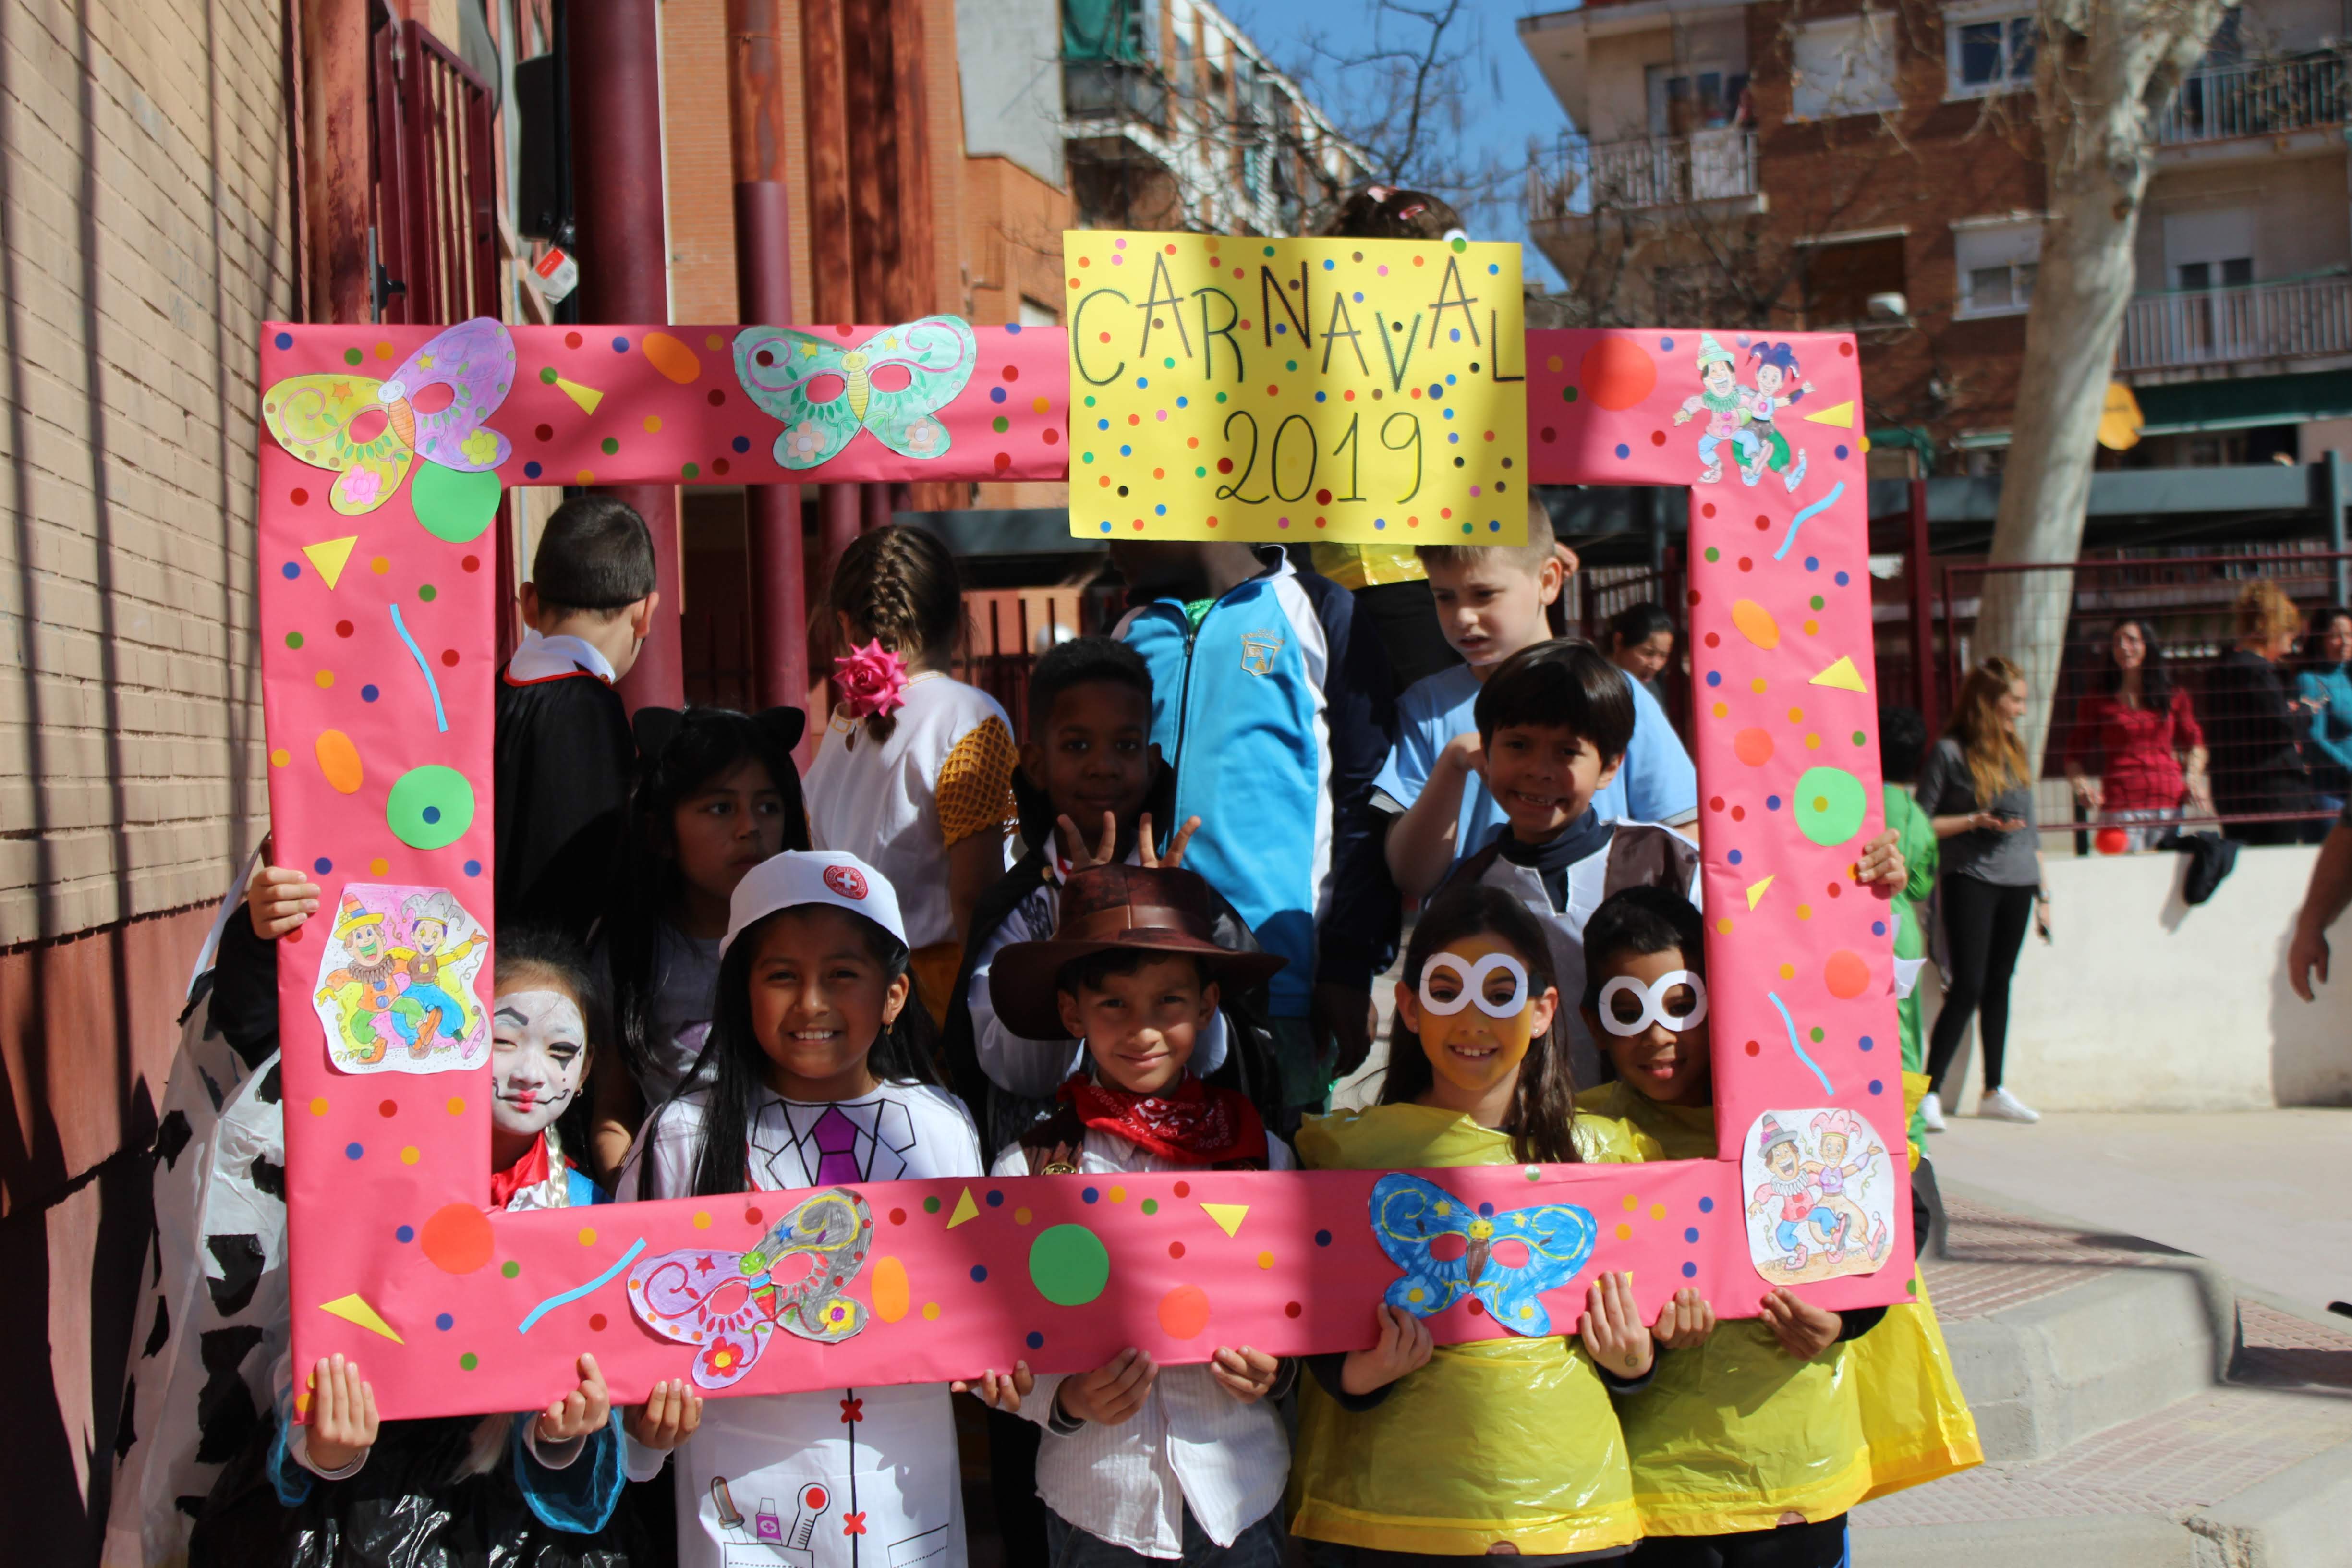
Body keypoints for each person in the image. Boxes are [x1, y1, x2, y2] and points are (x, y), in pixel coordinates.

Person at [190, 932, 681, 1568]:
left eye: (561, 1051)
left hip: (522, 1535)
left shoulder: (590, 1216)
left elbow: (589, 1431)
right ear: (452, 1040)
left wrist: (562, 1435)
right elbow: (312, 1364)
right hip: (365, 1512)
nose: (531, 1073)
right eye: (502, 1041)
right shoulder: (374, 1191)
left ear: (586, 1072)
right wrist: (329, 1447)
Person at [1573, 888, 1965, 1562]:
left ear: (1721, 998)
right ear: (1593, 1021)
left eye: (1680, 1004)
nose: (1657, 1034)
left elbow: (1899, 1212)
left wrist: (1842, 1319)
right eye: (1627, 1011)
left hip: (1795, 1474)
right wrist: (1635, 1360)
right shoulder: (1582, 1142)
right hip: (1657, 1486)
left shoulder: (1796, 1107)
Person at [619, 850, 984, 1568]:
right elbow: (628, 1328)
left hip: (904, 1507)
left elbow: (981, 1304)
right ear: (740, 992)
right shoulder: (682, 1136)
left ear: (894, 995)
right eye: (782, 975)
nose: (811, 1003)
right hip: (746, 1512)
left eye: (842, 974)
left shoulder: (941, 1126)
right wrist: (642, 1432)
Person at [1286, 883, 1652, 1560]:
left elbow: (1645, 1331)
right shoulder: (1343, 1155)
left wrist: (1633, 1361)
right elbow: (1300, 1321)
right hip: (1387, 1517)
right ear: (1410, 1007)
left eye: (1500, 992)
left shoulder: (1609, 1156)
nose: (1473, 1019)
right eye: (1446, 990)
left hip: (1569, 1516)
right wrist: (1358, 1374)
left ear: (1542, 1011)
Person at [964, 862, 1294, 1566]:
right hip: (1099, 1503)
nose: (1142, 1029)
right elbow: (993, 1340)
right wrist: (1065, 1400)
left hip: (1240, 1490)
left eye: (1167, 1001)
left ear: (1206, 1006)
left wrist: (1279, 1370)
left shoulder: (1261, 1156)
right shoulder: (1029, 1171)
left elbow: (1301, 1302)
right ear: (1071, 1013)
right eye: (1113, 1003)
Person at [1110, 537, 1396, 1113]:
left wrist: (1347, 968)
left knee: (1278, 1161)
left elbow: (1366, 801)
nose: (1105, 534)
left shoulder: (1316, 608)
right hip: (1143, 992)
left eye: (1118, 506)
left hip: (1282, 990)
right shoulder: (1128, 629)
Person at [1382, 501, 1699, 904]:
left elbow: (1685, 834)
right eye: (1444, 597)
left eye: (1484, 594)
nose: (1462, 616)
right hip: (1471, 941)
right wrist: (1453, 763)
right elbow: (1411, 876)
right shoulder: (1425, 706)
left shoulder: (1619, 693)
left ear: (1548, 581)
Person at [805, 524, 1016, 1025]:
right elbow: (975, 895)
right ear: (959, 622)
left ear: (844, 624)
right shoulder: (968, 717)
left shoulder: (840, 731)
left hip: (849, 992)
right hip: (940, 997)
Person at [591, 705, 809, 1175]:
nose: (750, 827)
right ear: (661, 833)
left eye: (768, 806)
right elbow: (613, 1111)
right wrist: (636, 1196)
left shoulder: (819, 940)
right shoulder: (631, 952)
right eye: (721, 808)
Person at [496, 494, 661, 942]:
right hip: (552, 970)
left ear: (529, 601)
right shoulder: (593, 710)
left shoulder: (484, 695)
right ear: (646, 614)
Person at [1915, 657, 2046, 1128]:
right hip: (1969, 877)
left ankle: (1994, 1089)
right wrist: (1975, 821)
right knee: (1967, 983)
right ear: (1989, 701)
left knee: (1999, 981)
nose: (2021, 710)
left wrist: (2044, 894)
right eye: (2015, 700)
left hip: (2018, 879)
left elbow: (2031, 829)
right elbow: (1921, 821)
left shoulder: (2015, 748)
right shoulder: (1949, 752)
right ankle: (1928, 1091)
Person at [2062, 619, 2210, 849]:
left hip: (2168, 801)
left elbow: (2196, 744)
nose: (2123, 647)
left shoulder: (2174, 696)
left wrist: (2192, 780)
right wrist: (2082, 788)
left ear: (2147, 645)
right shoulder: (2097, 700)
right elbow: (2073, 755)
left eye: (2132, 640)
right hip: (2120, 804)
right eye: (2117, 642)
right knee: (2122, 869)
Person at [2207, 580, 2320, 845]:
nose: (2291, 641)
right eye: (2289, 632)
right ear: (2273, 628)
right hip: (2270, 794)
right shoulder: (2257, 672)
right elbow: (2280, 727)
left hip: (2232, 791)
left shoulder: (2222, 670)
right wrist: (2305, 711)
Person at [1878, 705, 1938, 1146]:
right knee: (1906, 1036)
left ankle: (1909, 1136)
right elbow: (1919, 886)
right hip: (1904, 932)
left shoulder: (1857, 801)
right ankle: (1912, 1134)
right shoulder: (1916, 815)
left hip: (1871, 925)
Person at [2297, 605, 2352, 814]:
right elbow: (2314, 739)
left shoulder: (2348, 678)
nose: (2345, 642)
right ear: (2320, 640)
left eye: (2349, 635)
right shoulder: (2310, 680)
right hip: (2333, 794)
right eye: (2336, 636)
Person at [1606, 601, 1677, 708]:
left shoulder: (1652, 689)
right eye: (1648, 653)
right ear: (1619, 642)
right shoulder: (1595, 687)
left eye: (1663, 656)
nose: (1655, 665)